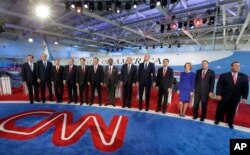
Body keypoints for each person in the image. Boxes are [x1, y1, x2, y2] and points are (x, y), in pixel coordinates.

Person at [214, 61, 249, 129]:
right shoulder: (224, 75)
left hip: (235, 97)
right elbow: (219, 85)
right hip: (223, 96)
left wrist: (244, 97)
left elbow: (246, 88)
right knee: (221, 109)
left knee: (232, 110)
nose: (237, 67)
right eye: (235, 65)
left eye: (239, 66)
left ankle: (229, 122)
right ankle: (218, 120)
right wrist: (218, 94)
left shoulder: (244, 76)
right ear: (231, 67)